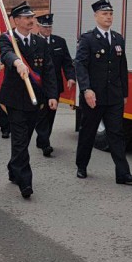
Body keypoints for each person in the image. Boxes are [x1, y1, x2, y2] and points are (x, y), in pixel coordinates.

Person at [73, 0, 132, 185]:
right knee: (88, 132)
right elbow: (81, 65)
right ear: (96, 16)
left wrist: (124, 94)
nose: (108, 17)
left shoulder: (118, 39)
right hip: (93, 96)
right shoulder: (87, 39)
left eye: (110, 14)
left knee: (116, 134)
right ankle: (81, 166)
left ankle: (123, 173)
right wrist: (86, 89)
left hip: (114, 97)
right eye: (105, 14)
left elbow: (121, 67)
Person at [0, 2, 58, 199]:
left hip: (35, 98)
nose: (31, 20)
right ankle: (25, 182)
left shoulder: (40, 43)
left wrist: (52, 96)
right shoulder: (7, 39)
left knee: (25, 138)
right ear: (15, 20)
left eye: (32, 17)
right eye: (26, 17)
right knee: (21, 140)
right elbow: (6, 54)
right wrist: (17, 62)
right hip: (14, 99)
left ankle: (14, 167)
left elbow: (48, 70)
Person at [34, 13, 75, 157]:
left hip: (55, 85)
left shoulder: (59, 42)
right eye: (45, 27)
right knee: (41, 114)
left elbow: (67, 62)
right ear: (38, 26)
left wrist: (70, 77)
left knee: (51, 113)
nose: (48, 29)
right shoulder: (33, 42)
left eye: (50, 27)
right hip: (38, 85)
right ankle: (45, 142)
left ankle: (43, 138)